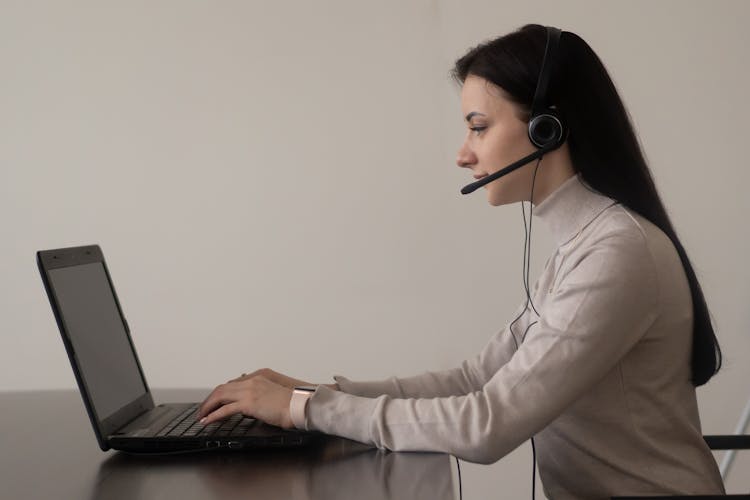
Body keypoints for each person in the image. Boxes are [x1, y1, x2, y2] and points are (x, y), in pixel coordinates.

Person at [197, 24, 725, 498]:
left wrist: (304, 410)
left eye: (478, 127)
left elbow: (485, 425)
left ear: (547, 130)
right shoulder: (583, 248)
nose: (463, 153)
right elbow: (476, 378)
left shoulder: (616, 254)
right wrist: (309, 394)